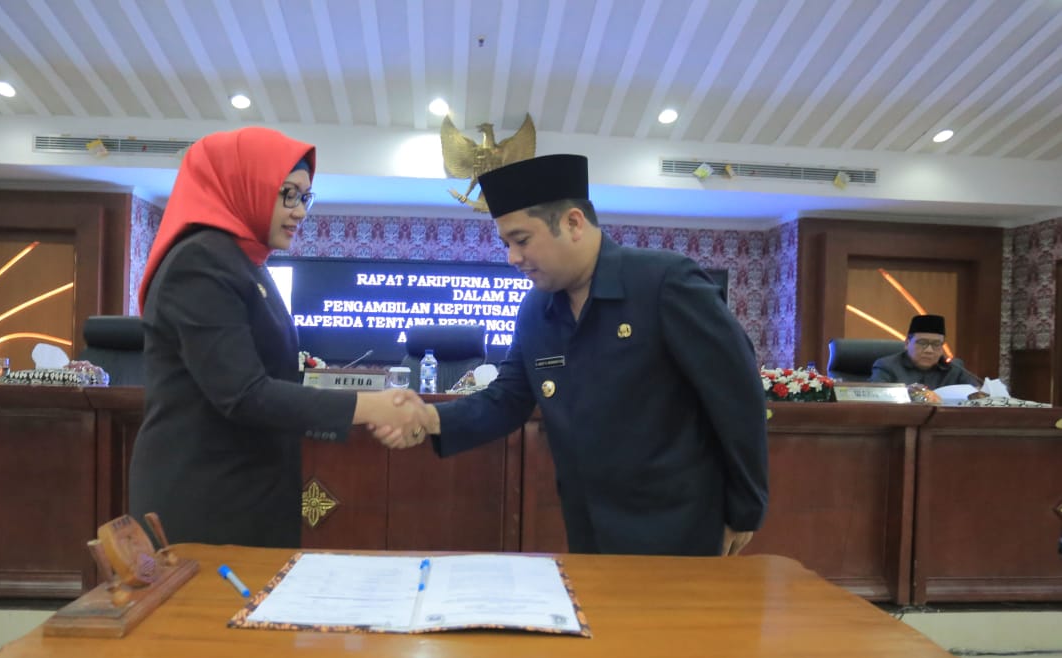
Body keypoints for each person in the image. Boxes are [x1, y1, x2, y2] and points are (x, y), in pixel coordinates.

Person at [382, 154, 768, 557]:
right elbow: (508, 399)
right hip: (589, 527)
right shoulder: (537, 310)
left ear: (573, 223)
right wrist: (429, 418)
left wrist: (745, 509)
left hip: (680, 527)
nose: (512, 257)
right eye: (506, 244)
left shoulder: (663, 282)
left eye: (521, 240)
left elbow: (736, 394)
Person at [129, 127, 425, 547]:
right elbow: (244, 394)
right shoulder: (200, 263)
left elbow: (275, 382)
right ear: (243, 184)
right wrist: (369, 406)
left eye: (305, 197)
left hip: (249, 494)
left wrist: (366, 411)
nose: (300, 211)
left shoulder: (244, 263)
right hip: (204, 503)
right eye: (288, 194)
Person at [870, 314, 981, 389]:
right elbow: (878, 398)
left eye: (936, 344)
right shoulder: (887, 366)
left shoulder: (955, 368)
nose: (929, 350)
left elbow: (977, 395)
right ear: (907, 343)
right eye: (922, 343)